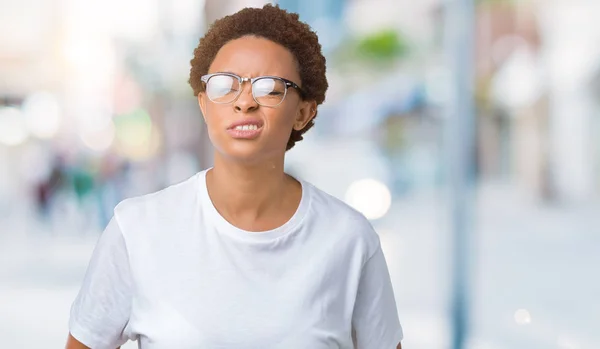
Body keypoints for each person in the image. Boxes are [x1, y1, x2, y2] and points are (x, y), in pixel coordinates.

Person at [66, 4, 403, 349]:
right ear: (203, 104)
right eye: (225, 85)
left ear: (303, 112)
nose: (244, 102)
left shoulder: (350, 239)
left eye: (269, 88)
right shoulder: (137, 229)